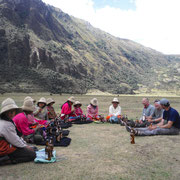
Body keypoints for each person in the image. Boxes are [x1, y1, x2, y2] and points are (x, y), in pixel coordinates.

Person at [0, 98, 36, 164]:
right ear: (5, 113)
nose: (11, 114)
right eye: (8, 112)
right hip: (4, 148)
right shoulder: (7, 124)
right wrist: (25, 146)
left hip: (8, 144)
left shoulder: (7, 121)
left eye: (12, 111)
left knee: (32, 148)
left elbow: (16, 136)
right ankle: (7, 160)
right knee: (32, 154)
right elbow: (14, 139)